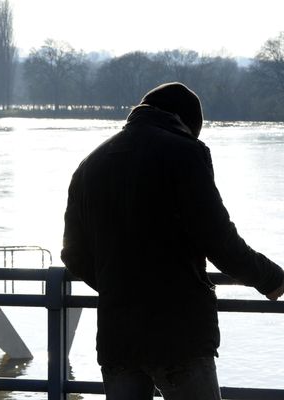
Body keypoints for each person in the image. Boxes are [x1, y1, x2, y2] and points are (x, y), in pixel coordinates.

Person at [61, 82, 284, 400]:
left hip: (118, 336)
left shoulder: (90, 164)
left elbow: (73, 254)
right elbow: (219, 241)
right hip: (179, 333)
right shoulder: (185, 152)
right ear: (186, 123)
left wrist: (120, 285)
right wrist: (274, 279)